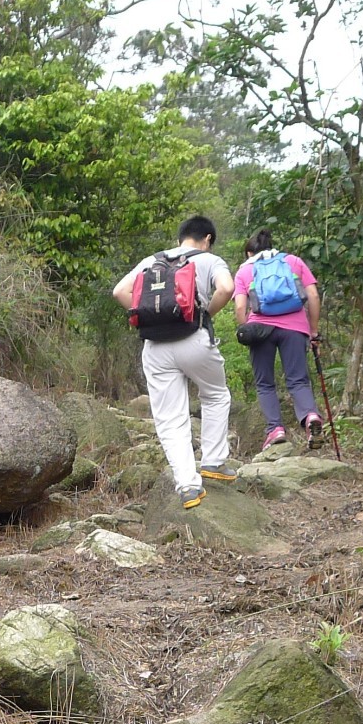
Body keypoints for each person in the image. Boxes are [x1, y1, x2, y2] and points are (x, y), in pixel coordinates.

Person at [113, 216, 239, 510]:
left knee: (170, 418)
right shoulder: (210, 259)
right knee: (216, 395)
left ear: (180, 237)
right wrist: (205, 313)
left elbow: (120, 291)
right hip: (194, 339)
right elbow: (227, 288)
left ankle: (188, 487)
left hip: (155, 345)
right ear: (207, 239)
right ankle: (214, 462)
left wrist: (143, 316)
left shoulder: (152, 260)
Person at [232, 229, 326, 450]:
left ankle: (275, 429)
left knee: (265, 383)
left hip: (260, 328)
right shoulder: (292, 261)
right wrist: (313, 332)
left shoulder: (245, 271)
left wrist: (246, 327)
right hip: (295, 328)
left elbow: (239, 307)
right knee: (298, 380)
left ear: (249, 252)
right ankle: (310, 416)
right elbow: (312, 295)